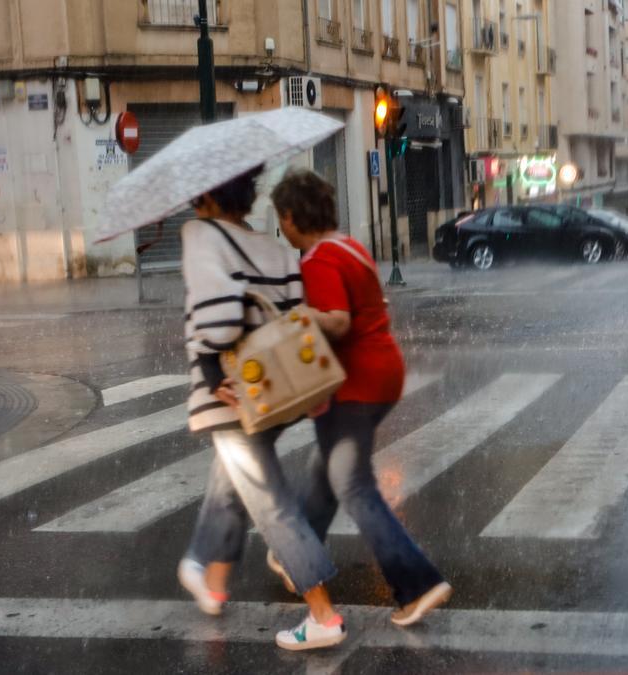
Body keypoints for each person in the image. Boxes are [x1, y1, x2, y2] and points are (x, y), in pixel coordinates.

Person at [269, 169, 453, 627]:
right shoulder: (350, 246)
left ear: (292, 216)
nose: (281, 228)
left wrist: (299, 316)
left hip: (355, 384)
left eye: (280, 219)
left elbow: (337, 321)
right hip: (384, 371)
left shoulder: (317, 260)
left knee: (351, 484)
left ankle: (418, 583)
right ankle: (298, 552)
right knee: (326, 470)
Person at [176, 165, 348, 652]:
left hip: (237, 396)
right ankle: (209, 577)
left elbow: (218, 320)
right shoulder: (272, 245)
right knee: (231, 480)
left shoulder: (200, 235)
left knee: (271, 505)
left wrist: (213, 378)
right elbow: (295, 310)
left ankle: (323, 615)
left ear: (208, 191)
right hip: (280, 394)